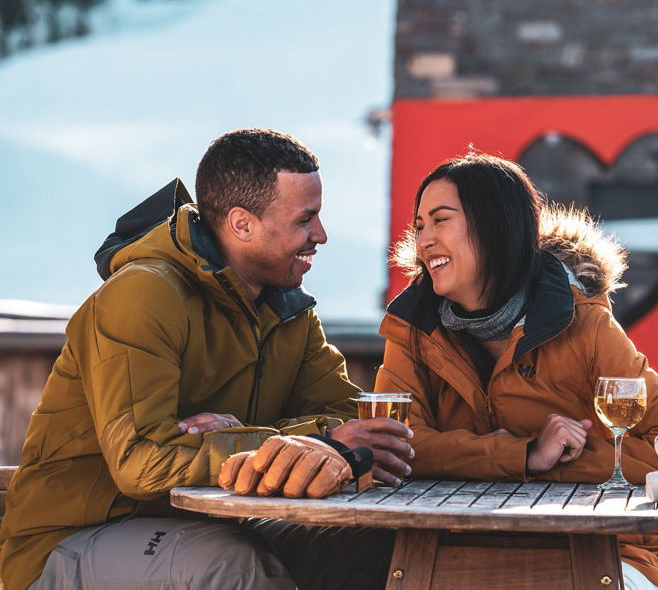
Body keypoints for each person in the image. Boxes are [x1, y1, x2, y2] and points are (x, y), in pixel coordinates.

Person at [0, 128, 413, 590]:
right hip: (68, 542)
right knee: (226, 565)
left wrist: (282, 440)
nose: (321, 234)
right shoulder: (144, 294)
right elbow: (142, 462)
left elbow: (341, 419)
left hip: (212, 522)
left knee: (371, 544)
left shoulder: (287, 310)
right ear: (242, 224)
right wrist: (300, 443)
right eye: (306, 219)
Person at [374, 151, 658, 589]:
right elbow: (393, 449)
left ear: (495, 226)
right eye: (419, 226)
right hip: (462, 555)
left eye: (441, 220)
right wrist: (525, 454)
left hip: (606, 553)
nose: (424, 240)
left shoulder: (585, 324)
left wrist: (564, 457)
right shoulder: (414, 329)